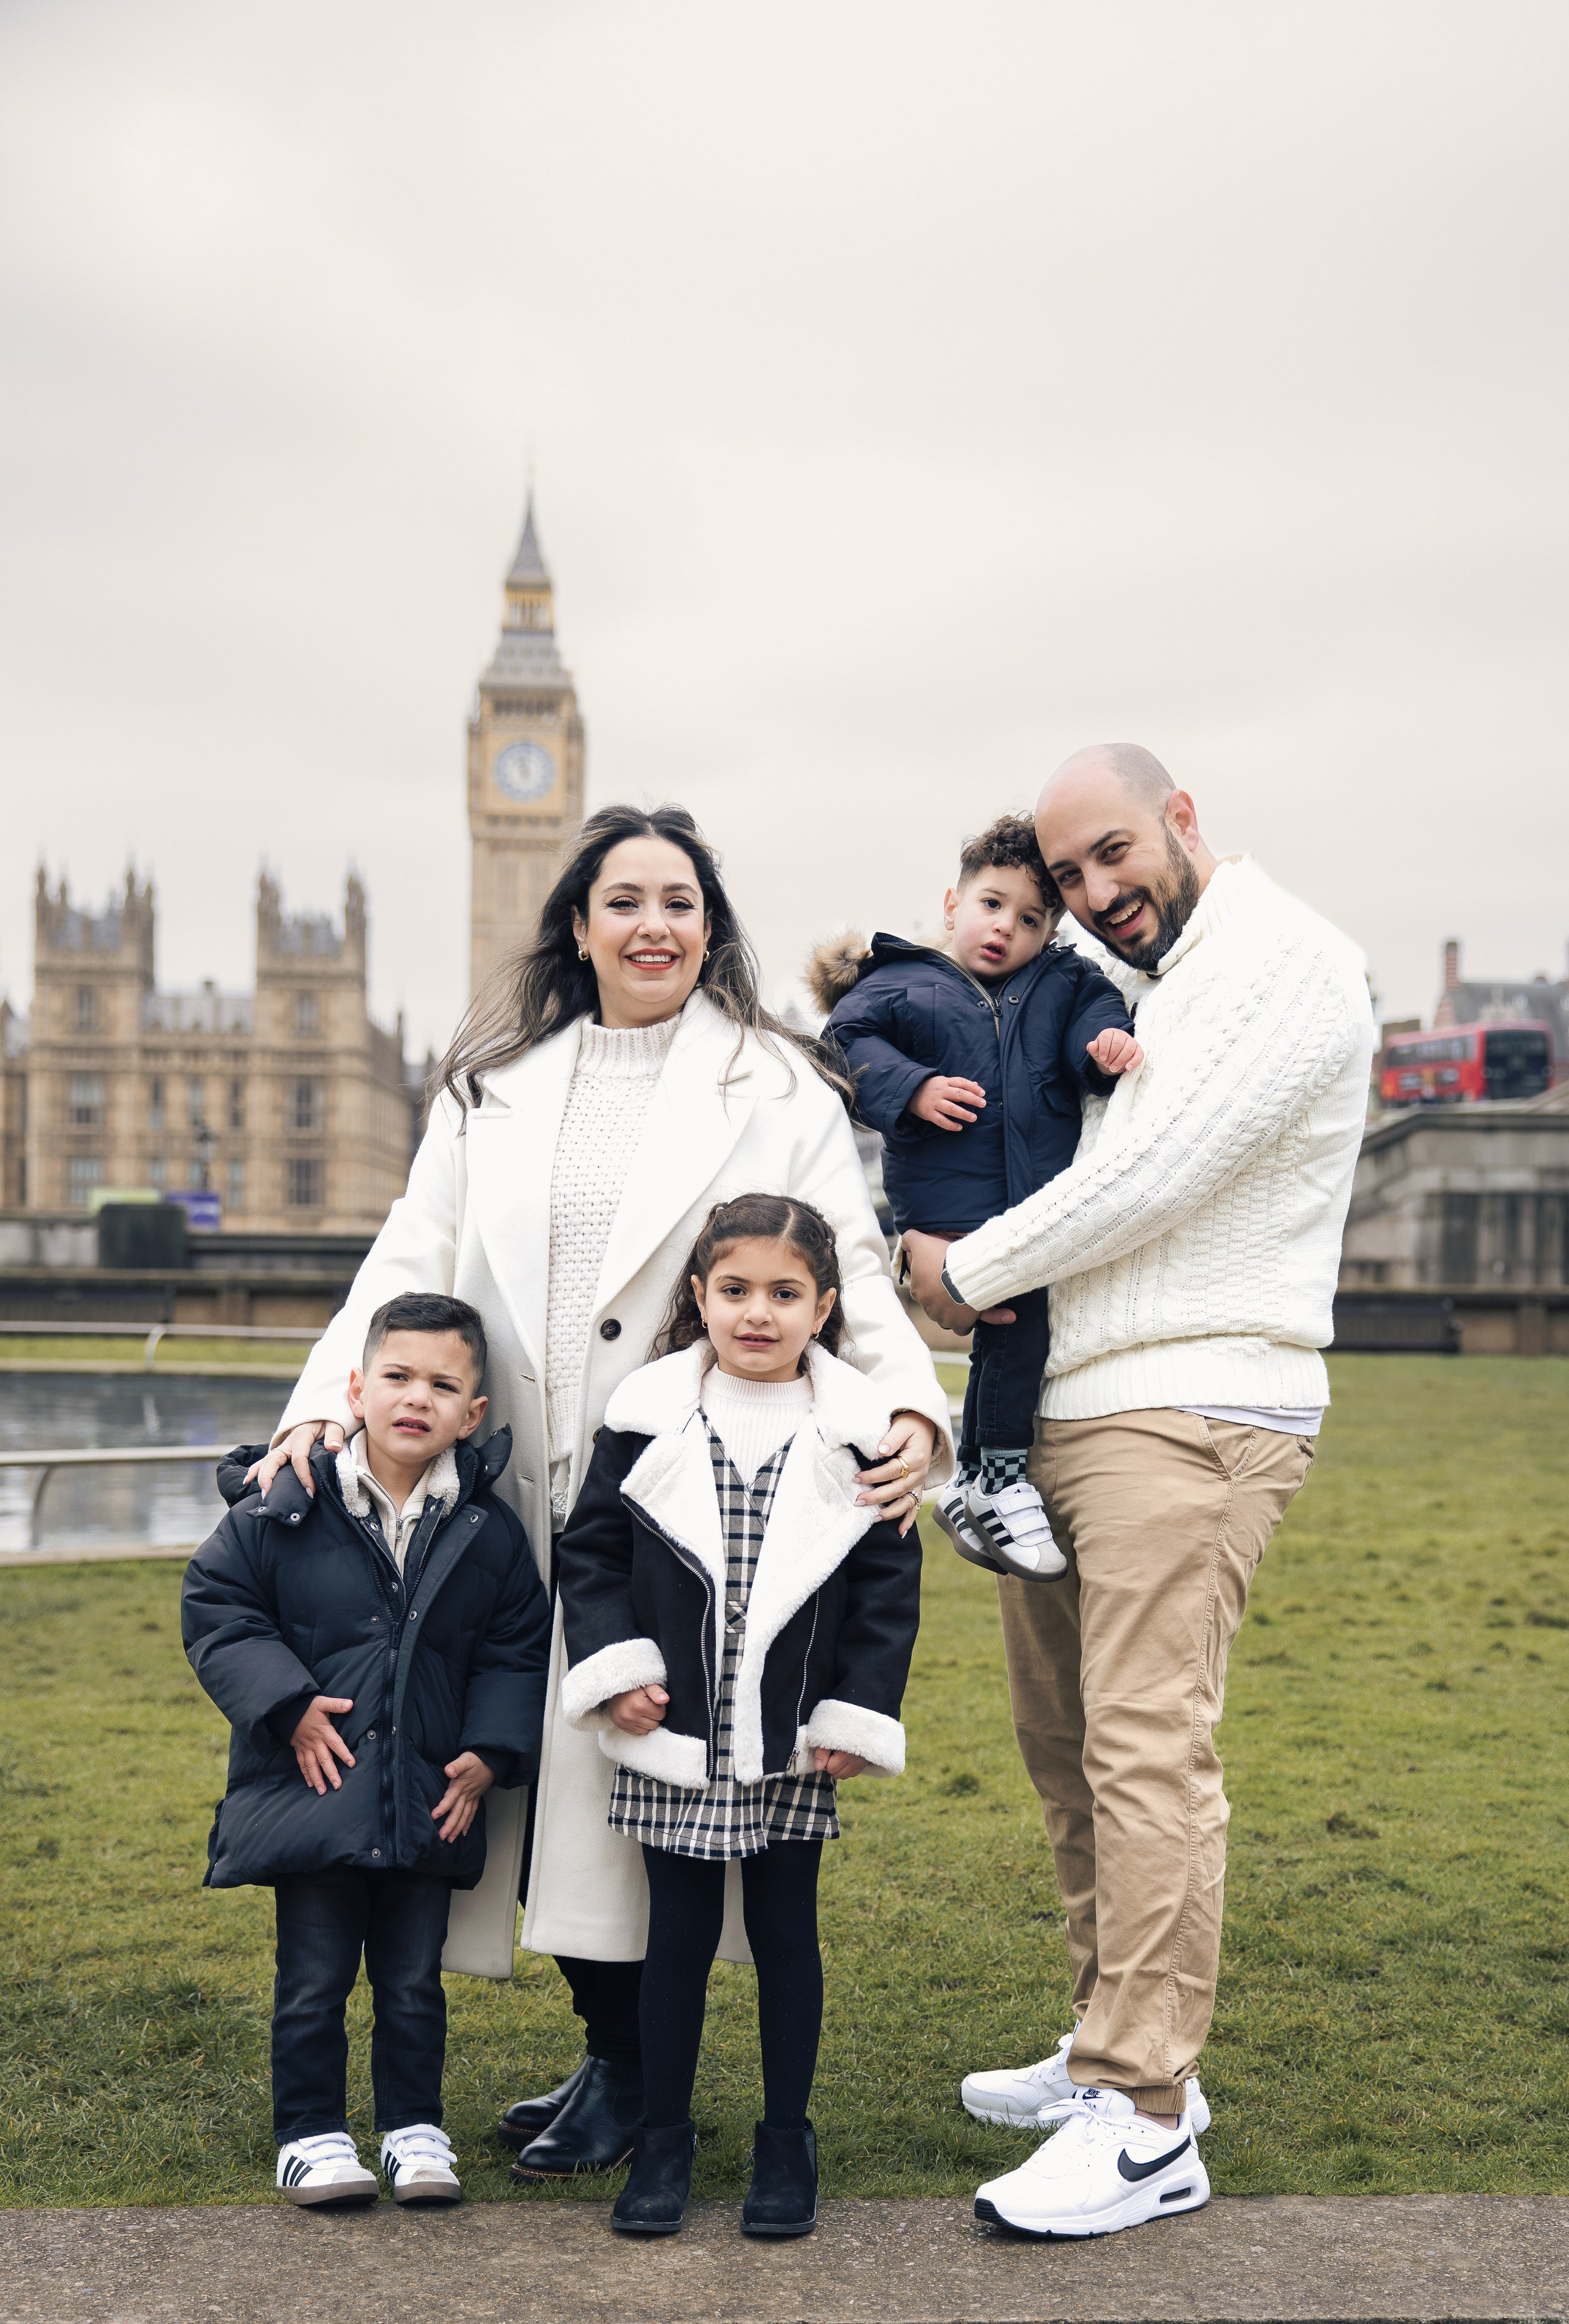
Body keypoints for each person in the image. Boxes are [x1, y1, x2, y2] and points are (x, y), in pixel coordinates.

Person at [248, 803, 951, 2182]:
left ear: (710, 926)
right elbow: (410, 1255)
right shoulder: (492, 1087)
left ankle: (633, 2069)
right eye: (623, 899)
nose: (653, 926)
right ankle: (615, 2052)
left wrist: (914, 1404)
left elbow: (848, 1269)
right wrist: (322, 1406)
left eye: (679, 902)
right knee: (517, 1781)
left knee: (629, 1779)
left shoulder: (777, 1084)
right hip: (499, 1490)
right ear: (576, 923)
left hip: (668, 1499)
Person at [903, 745, 1374, 2242]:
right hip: (1079, 1413)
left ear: (1177, 817)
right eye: (1069, 881)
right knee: (1066, 1751)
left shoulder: (1284, 956)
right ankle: (1111, 2031)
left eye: (1113, 854)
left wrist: (953, 1277)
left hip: (1190, 1411)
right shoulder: (1149, 984)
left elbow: (1153, 1174)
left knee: (1142, 1751)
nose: (1098, 895)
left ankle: (1146, 2114)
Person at [555, 1194, 921, 2238]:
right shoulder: (645, 1416)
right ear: (700, 1298)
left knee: (783, 1936)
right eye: (735, 1290)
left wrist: (857, 1710)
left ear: (824, 1306)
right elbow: (589, 1555)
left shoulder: (858, 1435)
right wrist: (614, 1670)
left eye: (784, 1293)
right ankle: (662, 2141)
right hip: (677, 1731)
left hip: (793, 1738)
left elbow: (890, 1587)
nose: (757, 1313)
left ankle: (784, 2143)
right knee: (672, 1939)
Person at [183, 1293, 551, 2209]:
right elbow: (219, 1607)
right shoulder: (286, 1505)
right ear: (355, 1388)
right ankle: (309, 2133)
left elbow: (515, 1645)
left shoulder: (486, 1527)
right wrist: (289, 1704)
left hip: (428, 1792)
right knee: (312, 1978)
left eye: (442, 1383)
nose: (414, 1397)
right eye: (396, 1375)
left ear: (472, 1414)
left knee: (413, 1981)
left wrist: (491, 1752)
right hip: (318, 1789)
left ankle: (414, 2126)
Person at [807, 813, 1139, 1582]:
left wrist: (1106, 1047)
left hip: (1033, 1208)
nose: (1005, 929)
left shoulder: (1063, 985)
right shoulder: (897, 985)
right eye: (992, 905)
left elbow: (1093, 1022)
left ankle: (979, 1481)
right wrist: (912, 1087)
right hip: (948, 1211)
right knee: (1010, 1330)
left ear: (1051, 927)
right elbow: (844, 1046)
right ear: (952, 904)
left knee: (1016, 1335)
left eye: (1029, 918)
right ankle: (992, 1477)